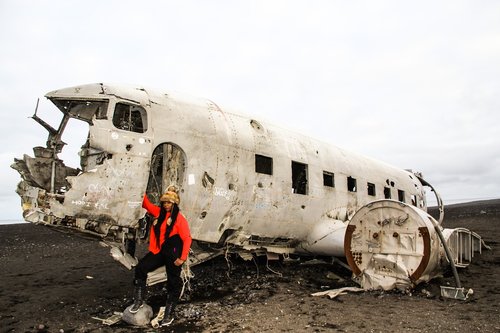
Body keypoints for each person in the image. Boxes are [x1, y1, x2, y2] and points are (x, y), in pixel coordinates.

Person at [129, 188, 192, 327]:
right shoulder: (159, 213)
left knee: (173, 282)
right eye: (164, 202)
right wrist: (140, 186)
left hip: (173, 253)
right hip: (159, 251)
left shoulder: (179, 219)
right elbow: (146, 204)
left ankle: (169, 313)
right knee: (141, 268)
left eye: (169, 203)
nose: (166, 205)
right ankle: (138, 301)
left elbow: (187, 238)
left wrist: (181, 258)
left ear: (174, 204)